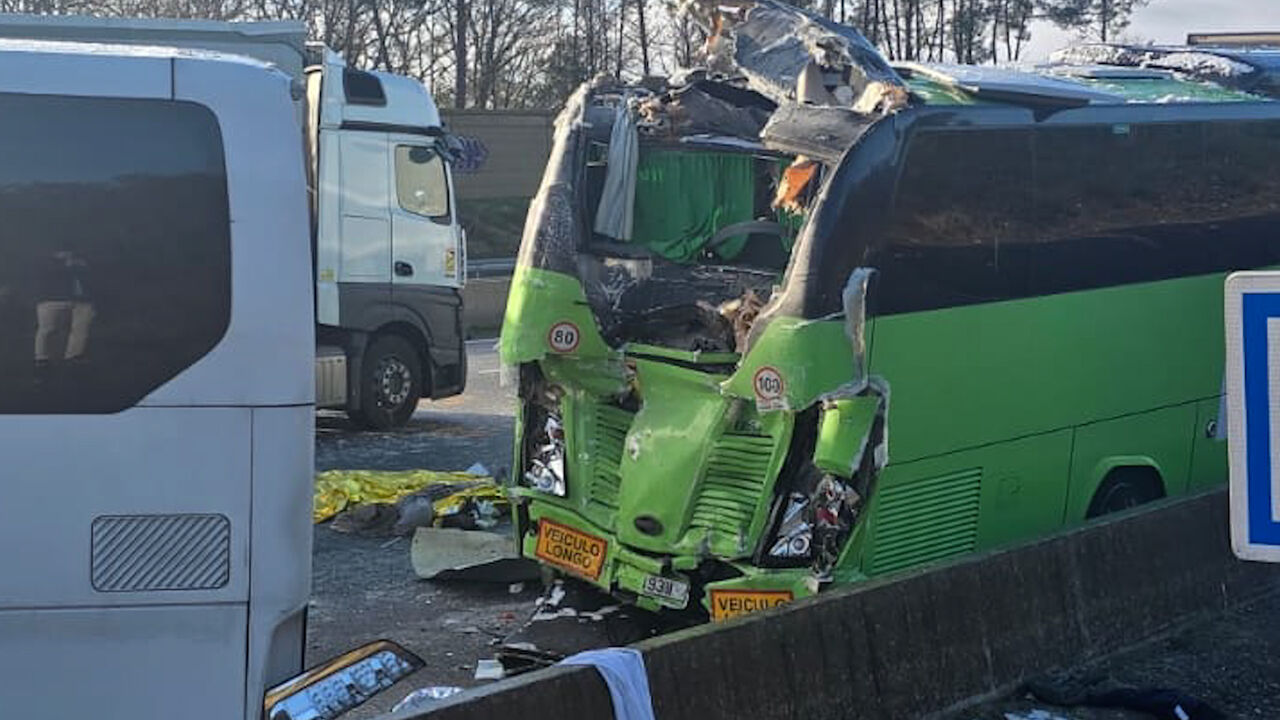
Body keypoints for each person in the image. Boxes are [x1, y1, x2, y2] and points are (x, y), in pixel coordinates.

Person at [33, 248, 95, 368]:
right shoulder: (46, 263)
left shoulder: (82, 262)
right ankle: (42, 359)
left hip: (81, 300)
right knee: (48, 330)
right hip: (51, 299)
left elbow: (93, 277)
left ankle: (75, 356)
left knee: (81, 329)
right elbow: (42, 276)